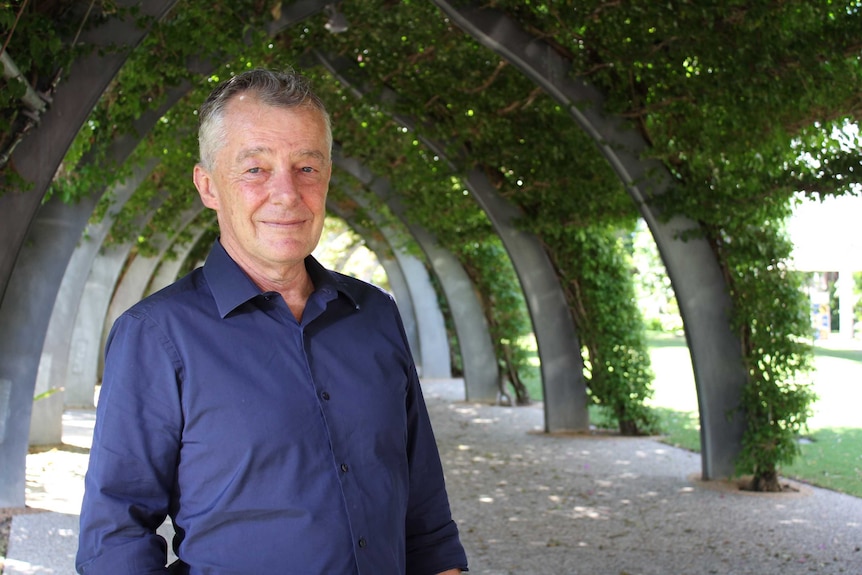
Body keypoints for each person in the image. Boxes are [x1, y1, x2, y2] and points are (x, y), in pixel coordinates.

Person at [76, 68, 468, 575]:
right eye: (255, 169)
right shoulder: (155, 336)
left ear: (327, 177)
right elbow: (114, 539)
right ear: (208, 186)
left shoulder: (374, 315)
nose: (286, 193)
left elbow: (425, 515)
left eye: (306, 167)